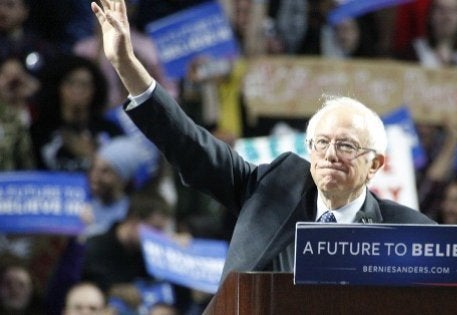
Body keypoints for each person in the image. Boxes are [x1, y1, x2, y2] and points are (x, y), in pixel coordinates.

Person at [90, 0, 435, 284]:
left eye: (345, 145)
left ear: (375, 163)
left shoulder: (408, 232)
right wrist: (125, 63)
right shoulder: (273, 189)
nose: (330, 155)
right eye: (320, 143)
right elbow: (190, 145)